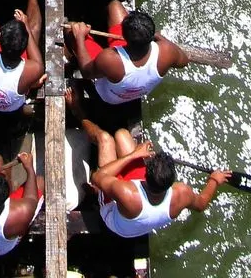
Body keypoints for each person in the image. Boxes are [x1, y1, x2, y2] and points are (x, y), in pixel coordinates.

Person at [65, 89, 230, 238]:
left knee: (105, 139)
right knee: (122, 135)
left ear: (146, 174)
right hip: (138, 204)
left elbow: (97, 177)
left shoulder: (126, 192)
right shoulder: (181, 193)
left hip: (115, 217)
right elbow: (201, 203)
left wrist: (133, 156)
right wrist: (215, 180)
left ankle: (78, 113)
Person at [68, 3, 194, 104]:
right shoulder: (167, 51)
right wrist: (159, 38)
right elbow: (184, 62)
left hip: (107, 97)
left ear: (123, 37)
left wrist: (79, 36)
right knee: (115, 5)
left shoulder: (110, 59)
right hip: (135, 92)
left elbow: (86, 71)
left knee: (70, 27)